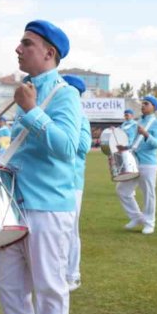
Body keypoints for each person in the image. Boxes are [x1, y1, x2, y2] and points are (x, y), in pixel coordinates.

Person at [0, 20, 81, 314]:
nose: (18, 49)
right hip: (15, 203)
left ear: (49, 53)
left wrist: (31, 111)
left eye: (26, 43)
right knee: (9, 285)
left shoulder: (64, 95)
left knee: (49, 288)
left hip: (48, 205)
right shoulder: (28, 91)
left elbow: (65, 148)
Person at [115, 96, 157, 234]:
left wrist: (146, 134)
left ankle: (150, 223)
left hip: (149, 163)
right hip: (133, 162)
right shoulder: (138, 122)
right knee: (122, 190)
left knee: (148, 193)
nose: (142, 106)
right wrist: (123, 147)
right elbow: (134, 142)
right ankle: (137, 217)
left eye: (146, 104)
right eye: (142, 104)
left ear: (153, 107)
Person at [62, 74, 91, 291]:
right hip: (54, 179)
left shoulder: (81, 116)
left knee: (71, 229)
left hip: (73, 180)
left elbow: (83, 146)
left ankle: (73, 274)